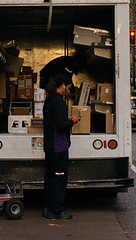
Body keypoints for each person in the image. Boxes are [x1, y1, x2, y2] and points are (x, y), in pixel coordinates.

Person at [43, 73, 79, 220]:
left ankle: (48, 208)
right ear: (63, 85)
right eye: (67, 86)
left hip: (50, 146)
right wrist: (73, 121)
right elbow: (61, 125)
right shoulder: (59, 102)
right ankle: (57, 210)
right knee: (59, 180)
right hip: (59, 148)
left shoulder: (49, 100)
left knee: (50, 179)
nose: (68, 89)